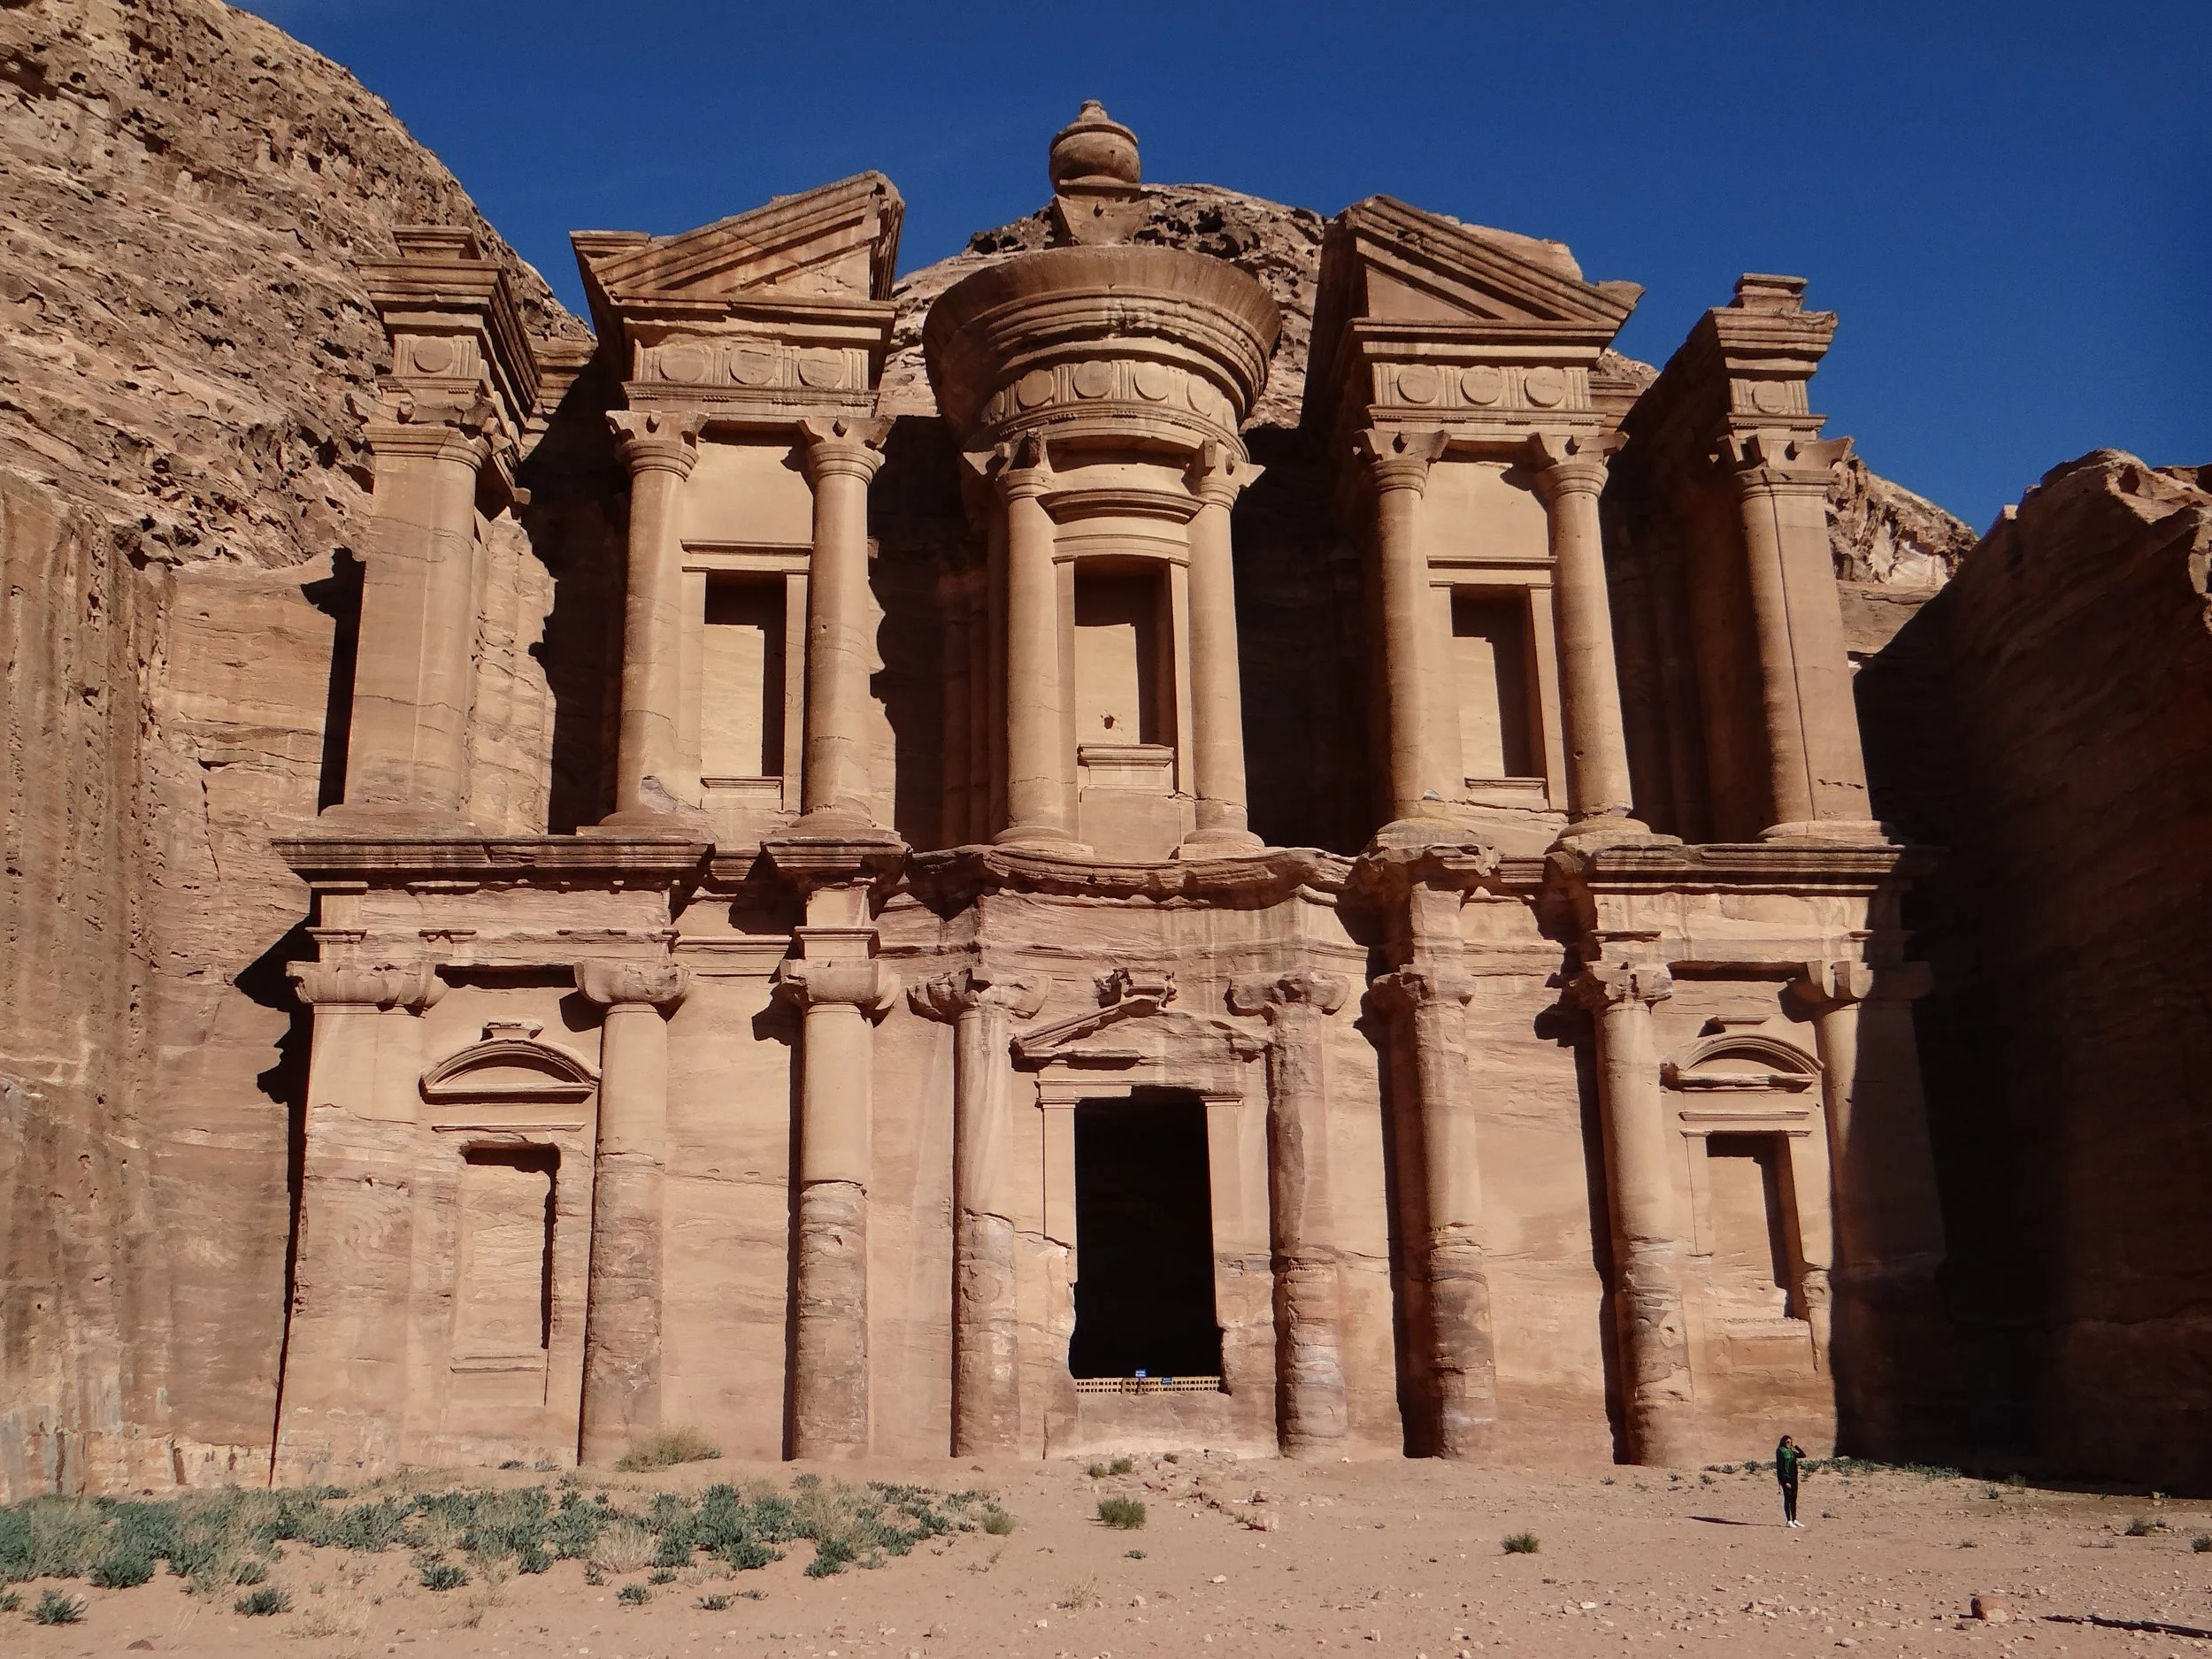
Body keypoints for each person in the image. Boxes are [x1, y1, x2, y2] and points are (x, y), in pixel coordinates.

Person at [1775, 1433, 1804, 1528]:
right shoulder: (1780, 1451)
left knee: (1794, 1499)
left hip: (1794, 1478)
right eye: (1787, 1442)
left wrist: (1795, 1446)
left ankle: (1795, 1519)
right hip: (1786, 1479)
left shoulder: (1791, 1452)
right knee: (1787, 1499)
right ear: (1783, 1442)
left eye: (1790, 1442)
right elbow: (1780, 1468)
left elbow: (1803, 1455)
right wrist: (1785, 1481)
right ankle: (1789, 1520)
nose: (1789, 1444)